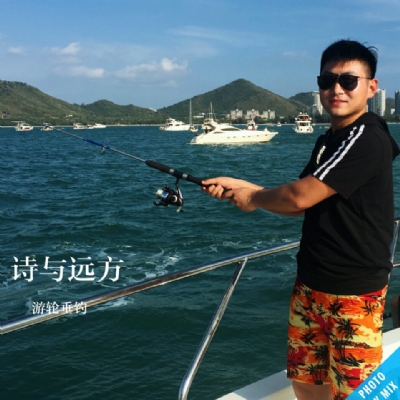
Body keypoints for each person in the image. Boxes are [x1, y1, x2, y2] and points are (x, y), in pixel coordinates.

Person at [201, 39, 400, 400]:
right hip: (310, 284)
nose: (336, 89)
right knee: (306, 384)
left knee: (353, 394)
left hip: (354, 292)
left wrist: (252, 199)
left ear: (371, 88)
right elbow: (302, 203)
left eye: (349, 81)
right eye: (327, 80)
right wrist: (243, 187)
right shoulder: (329, 140)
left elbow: (299, 196)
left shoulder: (367, 138)